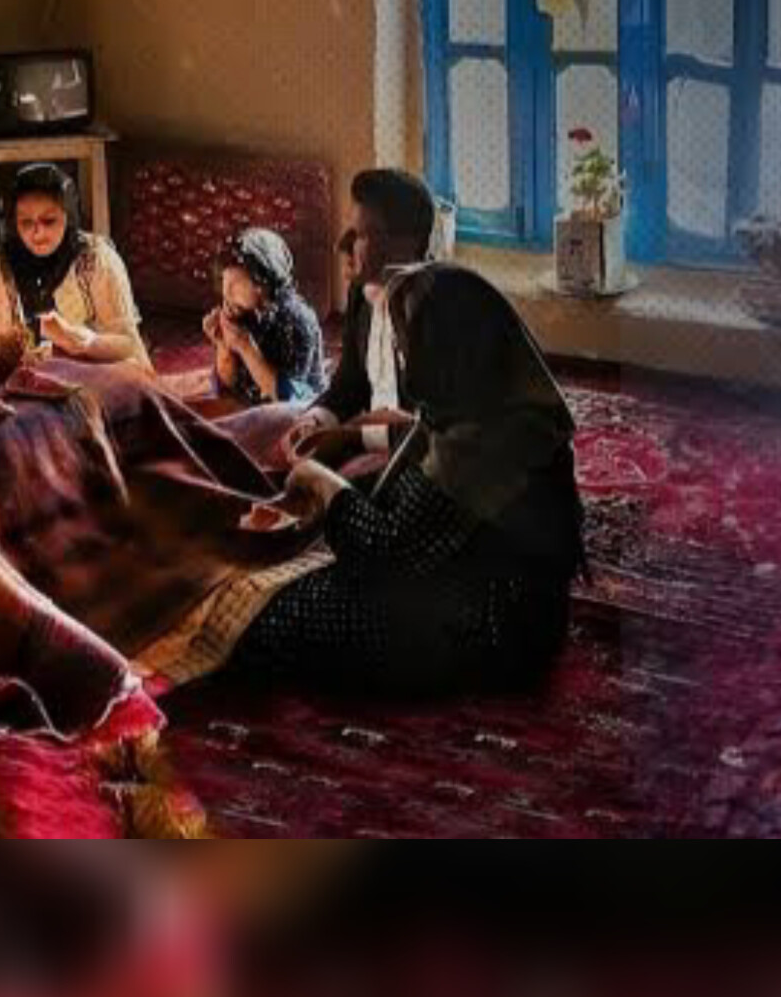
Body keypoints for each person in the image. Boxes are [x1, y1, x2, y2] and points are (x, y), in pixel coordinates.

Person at [231, 263, 584, 697]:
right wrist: (344, 457)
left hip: (491, 626)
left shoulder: (484, 439)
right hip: (487, 590)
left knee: (277, 612)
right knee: (296, 575)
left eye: (407, 344)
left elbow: (385, 554)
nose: (403, 358)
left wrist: (321, 483)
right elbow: (415, 475)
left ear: (445, 345)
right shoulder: (482, 400)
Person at [281, 166, 437, 467]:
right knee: (259, 430)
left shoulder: (431, 311)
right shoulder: (362, 294)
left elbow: (432, 431)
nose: (342, 245)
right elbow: (350, 383)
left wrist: (351, 438)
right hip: (368, 435)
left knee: (303, 482)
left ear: (405, 244)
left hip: (415, 463)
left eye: (360, 234)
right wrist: (316, 421)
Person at [0, 162, 150, 368]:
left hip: (98, 370)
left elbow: (129, 346)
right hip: (35, 374)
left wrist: (82, 341)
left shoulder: (95, 258)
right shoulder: (6, 261)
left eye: (48, 221)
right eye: (26, 222)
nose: (37, 233)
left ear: (68, 217)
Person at [202, 227, 325, 405]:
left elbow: (288, 399)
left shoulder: (296, 320)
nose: (227, 293)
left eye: (237, 282)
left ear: (263, 284)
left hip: (297, 410)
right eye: (224, 281)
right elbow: (229, 385)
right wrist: (223, 345)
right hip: (252, 407)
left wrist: (246, 347)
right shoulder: (239, 310)